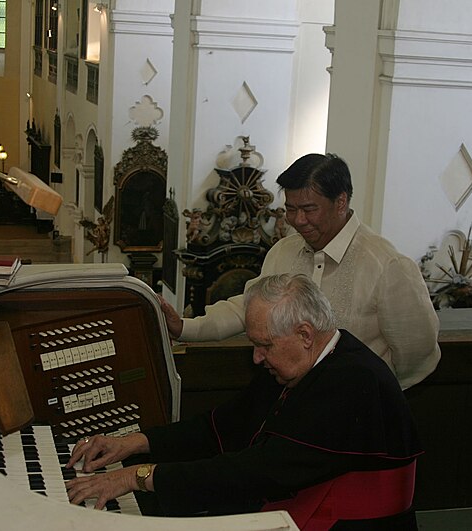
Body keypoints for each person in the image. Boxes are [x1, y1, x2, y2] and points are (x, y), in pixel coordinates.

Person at [66, 274, 423, 529]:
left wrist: (138, 477)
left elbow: (253, 472)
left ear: (304, 334)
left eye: (264, 345)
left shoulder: (352, 380)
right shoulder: (302, 363)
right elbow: (220, 425)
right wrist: (133, 444)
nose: (256, 357)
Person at [159, 153, 440, 389]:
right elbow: (246, 309)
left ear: (341, 202)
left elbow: (417, 354)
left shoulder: (388, 266)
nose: (298, 220)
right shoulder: (283, 251)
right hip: (290, 407)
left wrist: (372, 393)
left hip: (359, 416)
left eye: (308, 209)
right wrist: (185, 327)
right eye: (291, 209)